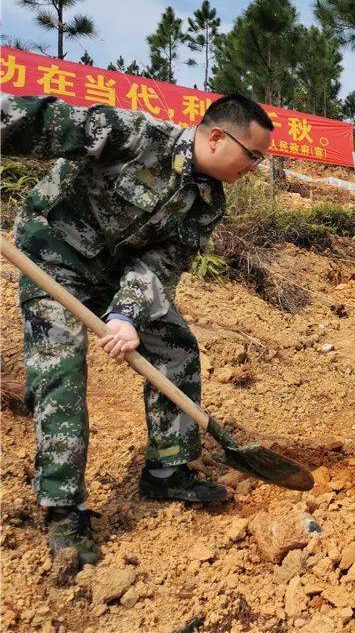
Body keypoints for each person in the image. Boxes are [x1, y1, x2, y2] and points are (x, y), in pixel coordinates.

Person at [2, 91, 274, 570]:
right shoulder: (132, 135)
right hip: (53, 255)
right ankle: (63, 509)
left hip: (117, 275)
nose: (256, 167)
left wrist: (127, 314)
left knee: (175, 347)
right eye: (253, 155)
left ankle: (167, 469)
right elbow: (39, 121)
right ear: (216, 136)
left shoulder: (208, 202)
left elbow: (161, 263)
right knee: (61, 370)